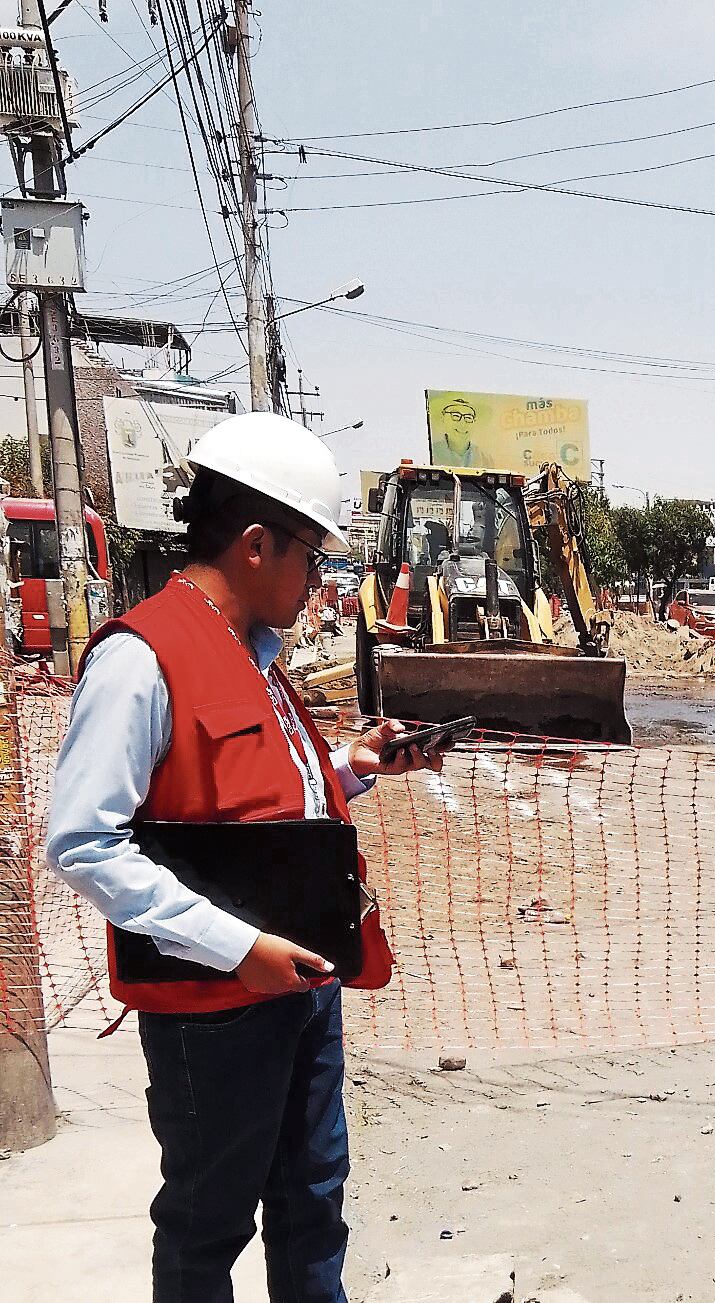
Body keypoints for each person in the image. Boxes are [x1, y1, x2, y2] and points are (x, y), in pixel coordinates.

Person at [45, 412, 446, 1303]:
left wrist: (356, 765)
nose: (319, 579)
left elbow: (262, 802)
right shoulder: (141, 659)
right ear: (258, 544)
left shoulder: (255, 657)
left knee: (312, 1203)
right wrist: (236, 947)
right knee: (206, 1226)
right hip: (213, 1012)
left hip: (301, 988)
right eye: (312, 554)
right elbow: (81, 841)